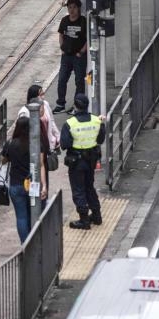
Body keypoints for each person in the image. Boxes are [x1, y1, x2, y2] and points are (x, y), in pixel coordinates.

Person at [0, 115, 48, 242]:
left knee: (21, 217)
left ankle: (25, 245)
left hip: (16, 185)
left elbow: (3, 161)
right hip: (32, 185)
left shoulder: (11, 144)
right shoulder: (36, 144)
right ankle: (34, 242)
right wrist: (44, 186)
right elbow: (41, 164)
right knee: (34, 214)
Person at [60, 94, 104, 230]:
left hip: (77, 161)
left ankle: (84, 220)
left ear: (75, 106)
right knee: (89, 186)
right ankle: (96, 216)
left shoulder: (70, 124)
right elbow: (100, 139)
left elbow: (65, 144)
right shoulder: (97, 121)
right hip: (92, 160)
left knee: (78, 190)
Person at [54, 0, 87, 114]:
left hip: (79, 56)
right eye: (69, 7)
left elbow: (88, 39)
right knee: (62, 79)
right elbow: (61, 34)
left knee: (79, 81)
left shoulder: (83, 21)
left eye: (74, 7)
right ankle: (60, 104)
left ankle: (77, 106)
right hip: (66, 56)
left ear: (78, 8)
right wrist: (62, 48)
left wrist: (82, 52)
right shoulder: (64, 20)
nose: (71, 10)